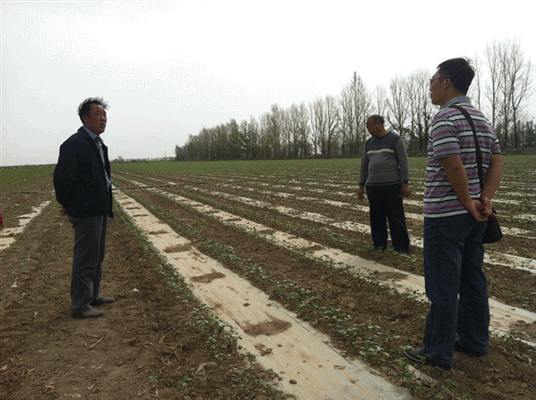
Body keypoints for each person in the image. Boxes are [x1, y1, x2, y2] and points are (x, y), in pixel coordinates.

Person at [405, 58, 503, 370]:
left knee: (443, 284)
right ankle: (474, 340)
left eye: (433, 81)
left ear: (446, 83)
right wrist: (484, 199)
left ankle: (436, 351)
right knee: (473, 279)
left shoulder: (445, 118)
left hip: (446, 217)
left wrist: (467, 201)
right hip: (475, 217)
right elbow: (498, 161)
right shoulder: (482, 120)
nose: (430, 87)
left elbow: (452, 163)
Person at [53, 97, 115, 319]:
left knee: (97, 256)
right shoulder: (75, 144)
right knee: (85, 258)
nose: (103, 118)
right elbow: (62, 180)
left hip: (99, 209)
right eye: (98, 114)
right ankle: (80, 305)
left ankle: (92, 296)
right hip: (86, 211)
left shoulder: (98, 144)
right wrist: (68, 204)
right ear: (85, 118)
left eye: (105, 114)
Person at [358, 115, 411, 254]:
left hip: (392, 185)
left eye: (369, 126)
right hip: (373, 187)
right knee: (376, 218)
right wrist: (361, 186)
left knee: (396, 217)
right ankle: (379, 244)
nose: (368, 129)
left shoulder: (395, 139)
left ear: (378, 124)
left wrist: (405, 183)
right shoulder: (368, 143)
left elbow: (404, 163)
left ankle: (401, 247)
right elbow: (364, 166)